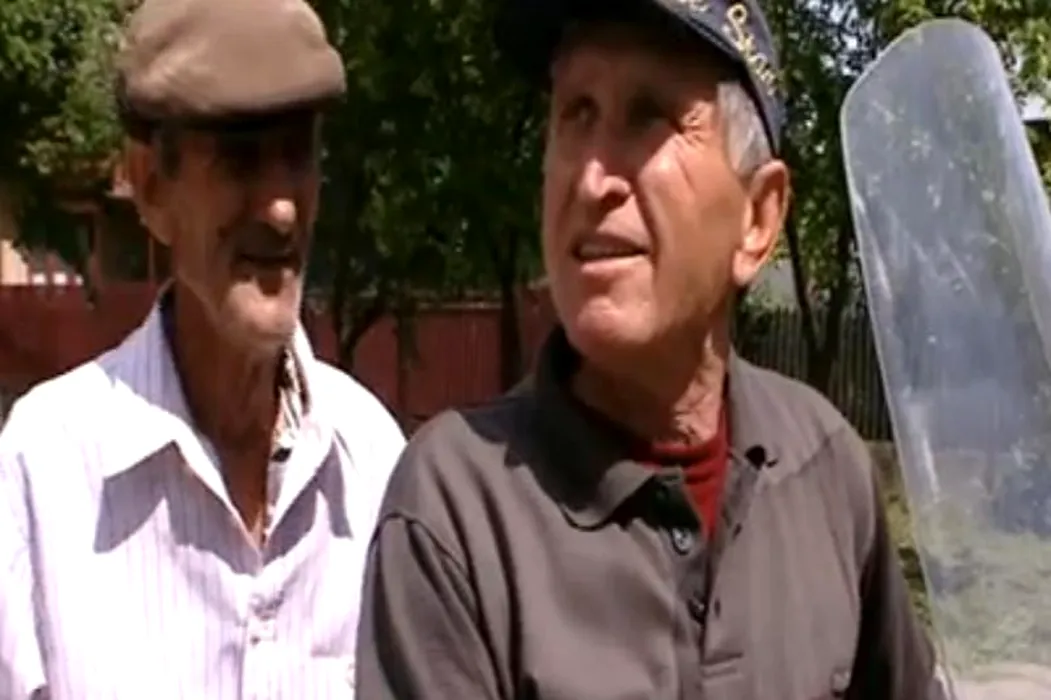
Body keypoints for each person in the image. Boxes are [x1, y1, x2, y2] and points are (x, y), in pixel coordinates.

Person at [354, 0, 945, 698]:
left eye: (647, 117)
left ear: (758, 219)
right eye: (575, 113)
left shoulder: (824, 467)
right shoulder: (457, 510)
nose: (591, 180)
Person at [0, 0, 405, 697]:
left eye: (297, 155)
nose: (281, 208)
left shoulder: (371, 465)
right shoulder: (46, 471)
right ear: (152, 188)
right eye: (241, 159)